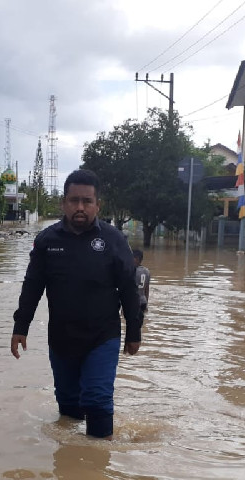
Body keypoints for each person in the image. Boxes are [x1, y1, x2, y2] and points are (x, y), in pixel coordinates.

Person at [11, 169, 142, 439]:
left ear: (98, 205)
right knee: (68, 405)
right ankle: (71, 464)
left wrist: (134, 332)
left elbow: (129, 288)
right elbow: (32, 286)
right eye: (74, 201)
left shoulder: (114, 240)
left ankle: (99, 464)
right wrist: (20, 326)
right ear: (63, 203)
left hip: (102, 336)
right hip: (61, 338)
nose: (80, 207)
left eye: (87, 201)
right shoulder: (47, 241)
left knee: (97, 399)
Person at [132, 249, 150, 315]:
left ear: (136, 259)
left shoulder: (131, 271)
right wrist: (146, 304)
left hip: (133, 302)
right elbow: (147, 289)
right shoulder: (147, 271)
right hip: (143, 301)